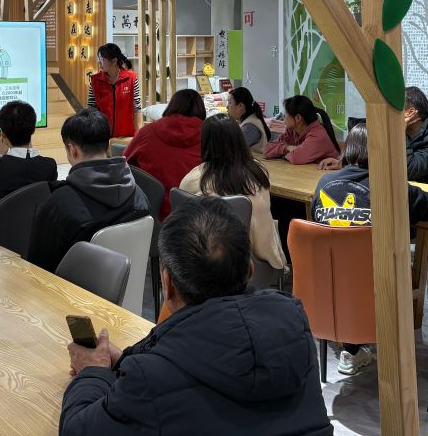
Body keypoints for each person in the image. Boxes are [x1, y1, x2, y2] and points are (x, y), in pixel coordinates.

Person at [59, 197, 333, 436]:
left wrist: (94, 372)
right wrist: (126, 362)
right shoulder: (294, 327)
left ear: (167, 284)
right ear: (250, 270)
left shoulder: (151, 381)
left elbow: (76, 429)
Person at [312, 122, 428, 376]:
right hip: (378, 283)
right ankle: (379, 350)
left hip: (328, 281)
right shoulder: (390, 186)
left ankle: (351, 347)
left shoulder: (323, 184)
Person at [27, 108, 149, 272]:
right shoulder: (139, 196)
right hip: (130, 287)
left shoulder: (59, 205)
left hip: (72, 289)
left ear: (73, 150)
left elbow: (37, 269)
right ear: (107, 145)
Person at [179, 115, 286, 270]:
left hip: (210, 268)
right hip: (263, 265)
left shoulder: (195, 180)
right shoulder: (258, 172)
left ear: (206, 143)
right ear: (239, 139)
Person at [124, 89, 205, 218]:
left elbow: (124, 164)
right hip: (199, 215)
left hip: (152, 213)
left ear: (171, 106)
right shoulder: (210, 135)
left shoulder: (147, 132)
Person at [0, 101, 58, 205]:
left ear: (3, 133)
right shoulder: (49, 165)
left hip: (0, 215)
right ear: (33, 130)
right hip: (36, 216)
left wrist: (1, 156)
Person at [263, 95, 340, 165]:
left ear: (298, 118)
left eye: (285, 115)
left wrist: (282, 152)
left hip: (328, 174)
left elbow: (295, 158)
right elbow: (267, 150)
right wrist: (287, 148)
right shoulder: (292, 131)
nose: (283, 118)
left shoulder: (318, 134)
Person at [87, 43, 142, 138]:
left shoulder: (131, 78)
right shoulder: (95, 80)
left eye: (102, 59)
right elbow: (91, 109)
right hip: (102, 137)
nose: (99, 62)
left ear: (114, 61)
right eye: (98, 59)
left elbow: (137, 109)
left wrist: (139, 136)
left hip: (126, 136)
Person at [225, 86, 272, 154]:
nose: (227, 107)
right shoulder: (248, 120)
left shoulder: (250, 126)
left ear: (240, 106)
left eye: (229, 103)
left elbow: (230, 148)